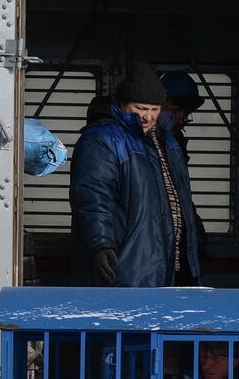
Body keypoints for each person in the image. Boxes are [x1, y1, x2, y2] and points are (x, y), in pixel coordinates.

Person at [70, 64, 205, 288]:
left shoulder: (167, 142)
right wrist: (101, 243)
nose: (148, 117)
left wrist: (195, 250)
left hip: (164, 271)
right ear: (122, 104)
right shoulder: (103, 139)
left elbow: (181, 202)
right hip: (126, 269)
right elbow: (93, 195)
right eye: (140, 108)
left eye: (155, 109)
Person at [159, 70, 206, 162]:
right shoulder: (138, 143)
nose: (181, 121)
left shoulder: (178, 140)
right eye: (175, 110)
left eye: (187, 113)